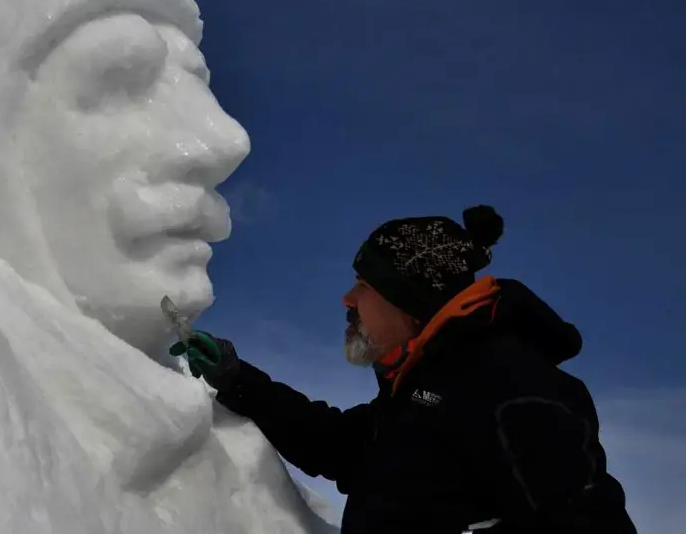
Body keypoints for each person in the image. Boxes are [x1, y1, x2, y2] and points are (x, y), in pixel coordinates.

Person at [171, 205, 639, 534]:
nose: (348, 300)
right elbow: (337, 446)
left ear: (409, 300)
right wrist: (237, 378)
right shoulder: (422, 391)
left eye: (362, 286)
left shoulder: (512, 388)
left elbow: (586, 520)